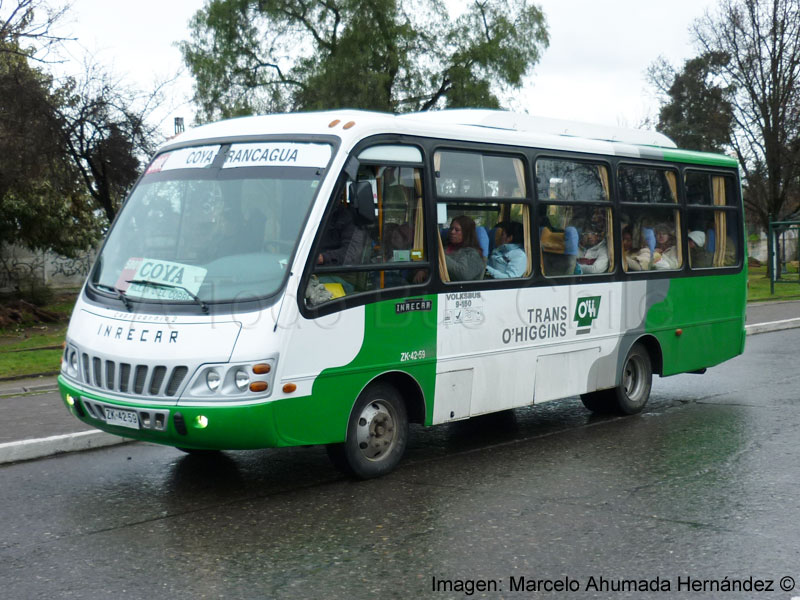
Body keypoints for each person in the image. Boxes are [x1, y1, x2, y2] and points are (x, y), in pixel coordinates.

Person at [317, 202, 369, 266]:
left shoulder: (347, 218)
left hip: (336, 270)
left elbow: (352, 253)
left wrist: (323, 257)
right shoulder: (310, 215)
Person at [444, 215, 485, 281]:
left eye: (457, 230)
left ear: (466, 233)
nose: (452, 232)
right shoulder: (445, 248)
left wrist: (440, 257)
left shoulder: (473, 254)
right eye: (451, 229)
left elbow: (464, 275)